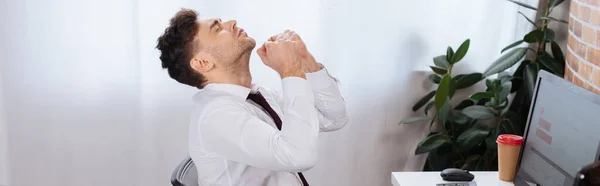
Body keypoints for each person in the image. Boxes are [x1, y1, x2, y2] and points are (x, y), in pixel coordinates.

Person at [155, 9, 349, 186]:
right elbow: (300, 156)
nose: (231, 22)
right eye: (217, 28)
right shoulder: (216, 115)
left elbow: (334, 118)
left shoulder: (254, 96)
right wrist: (290, 69)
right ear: (203, 63)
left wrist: (306, 61)